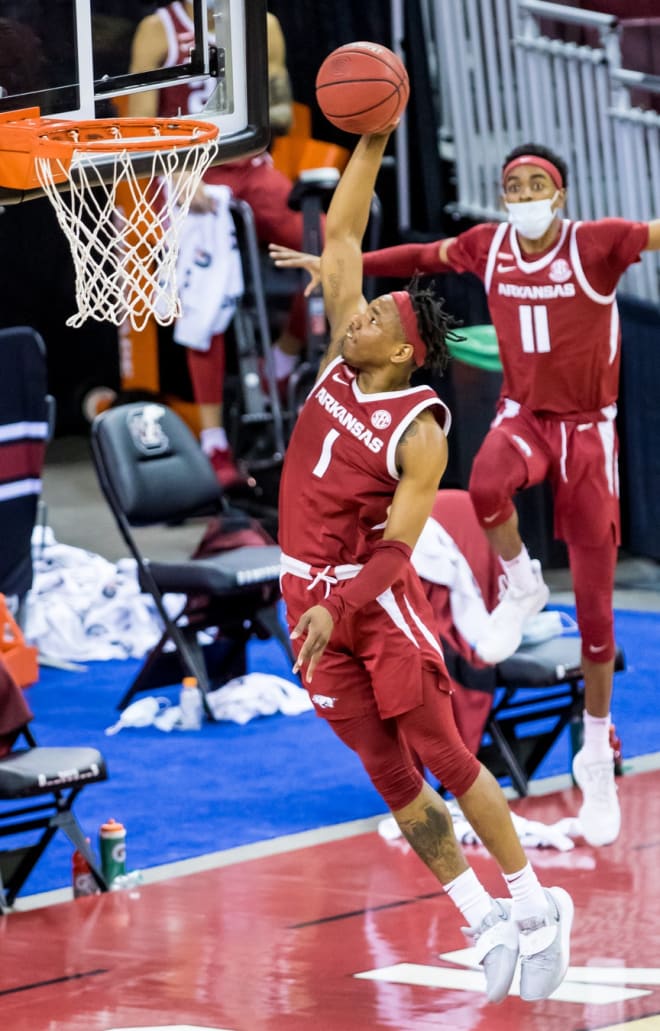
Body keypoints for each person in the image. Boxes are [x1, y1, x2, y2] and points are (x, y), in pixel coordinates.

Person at [272, 141, 660, 849]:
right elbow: (417, 260)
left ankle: (596, 753)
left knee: (599, 618)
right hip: (525, 416)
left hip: (588, 431)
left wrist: (343, 264)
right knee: (485, 482)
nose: (526, 192)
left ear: (562, 193)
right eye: (514, 183)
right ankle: (519, 579)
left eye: (538, 181)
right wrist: (340, 268)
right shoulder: (489, 246)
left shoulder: (598, 244)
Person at [277, 123, 573, 1005]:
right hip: (306, 596)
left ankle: (534, 903)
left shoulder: (421, 428)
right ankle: (479, 914)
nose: (355, 313)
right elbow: (342, 236)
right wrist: (368, 136)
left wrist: (343, 604)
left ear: (403, 350)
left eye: (372, 316)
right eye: (359, 310)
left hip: (371, 602)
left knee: (440, 750)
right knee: (388, 773)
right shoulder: (337, 366)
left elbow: (400, 547)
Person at [128, 4, 315, 486]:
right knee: (204, 298)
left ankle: (285, 355)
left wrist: (244, 94)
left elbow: (280, 114)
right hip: (182, 171)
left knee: (329, 246)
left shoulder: (262, 22)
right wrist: (176, 173)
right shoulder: (159, 30)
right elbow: (138, 125)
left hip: (246, 165)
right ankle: (214, 442)